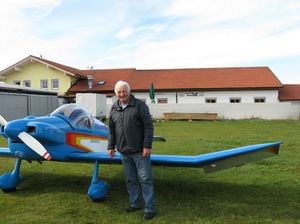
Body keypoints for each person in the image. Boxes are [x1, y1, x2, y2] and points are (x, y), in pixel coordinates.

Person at [107, 80, 156, 220]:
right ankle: (135, 204)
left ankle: (149, 209)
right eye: (119, 92)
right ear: (115, 93)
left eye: (124, 91)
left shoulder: (140, 106)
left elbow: (148, 127)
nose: (122, 94)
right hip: (124, 152)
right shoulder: (114, 108)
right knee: (130, 180)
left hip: (140, 151)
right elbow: (111, 129)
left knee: (146, 180)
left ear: (129, 91)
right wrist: (111, 146)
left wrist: (147, 146)